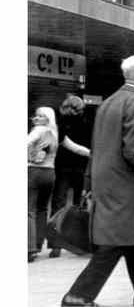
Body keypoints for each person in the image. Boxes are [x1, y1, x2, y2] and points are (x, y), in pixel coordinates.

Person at [61, 54, 134, 307]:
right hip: (127, 185)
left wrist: (89, 181)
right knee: (115, 242)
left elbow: (98, 147)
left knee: (127, 236)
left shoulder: (109, 103)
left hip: (107, 183)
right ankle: (78, 296)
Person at [48, 95, 93, 258]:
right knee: (78, 205)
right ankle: (77, 241)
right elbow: (90, 144)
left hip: (63, 166)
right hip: (81, 166)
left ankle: (55, 245)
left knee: (58, 202)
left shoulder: (59, 123)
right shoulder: (88, 123)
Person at [28, 105, 59, 262]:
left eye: (41, 116)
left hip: (33, 172)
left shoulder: (38, 130)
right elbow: (75, 148)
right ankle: (39, 244)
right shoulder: (55, 133)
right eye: (36, 115)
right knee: (42, 209)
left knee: (29, 210)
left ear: (48, 118)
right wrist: (91, 153)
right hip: (50, 174)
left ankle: (29, 248)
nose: (37, 118)